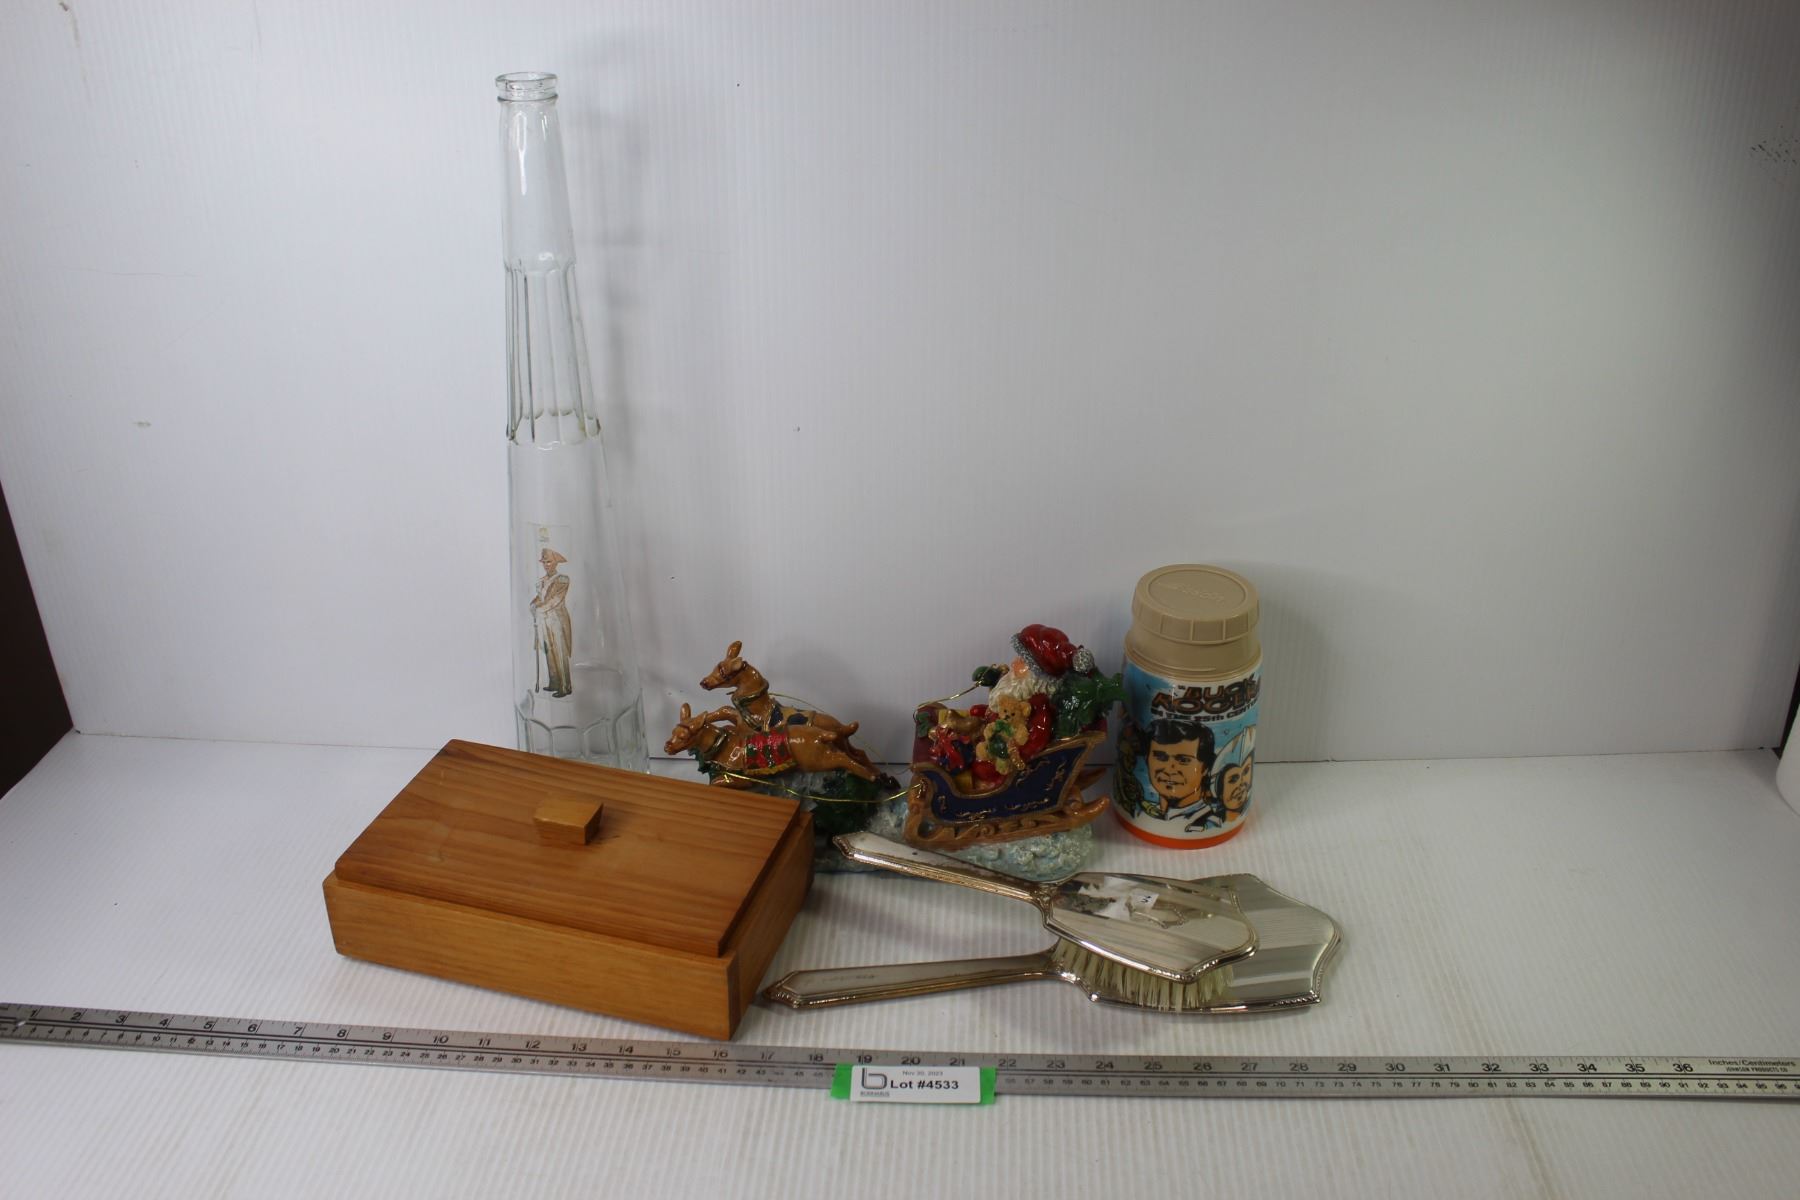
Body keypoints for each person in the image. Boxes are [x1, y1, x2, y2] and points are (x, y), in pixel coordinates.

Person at [1143, 717, 1216, 821]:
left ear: (1206, 767)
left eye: (1183, 760)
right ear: (1147, 759)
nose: (1169, 770)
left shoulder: (1211, 821)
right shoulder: (1141, 812)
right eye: (1161, 757)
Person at [531, 547, 573, 697]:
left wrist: (540, 609)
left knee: (559, 652)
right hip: (544, 621)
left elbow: (555, 600)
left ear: (555, 563)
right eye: (544, 562)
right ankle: (554, 682)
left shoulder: (562, 580)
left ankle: (565, 686)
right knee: (548, 651)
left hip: (557, 620)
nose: (546, 565)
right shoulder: (542, 581)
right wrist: (533, 604)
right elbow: (540, 598)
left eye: (549, 562)